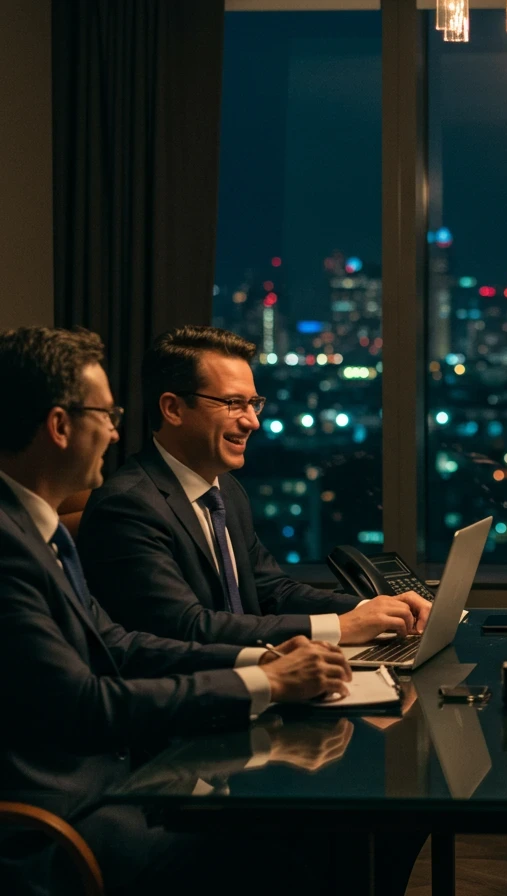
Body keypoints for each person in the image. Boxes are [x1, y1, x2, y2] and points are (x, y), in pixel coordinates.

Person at [0, 327, 353, 895]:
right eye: (105, 413)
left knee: (330, 832)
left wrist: (263, 661)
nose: (116, 430)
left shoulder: (36, 533)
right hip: (64, 822)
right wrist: (262, 681)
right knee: (295, 856)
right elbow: (86, 705)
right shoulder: (10, 545)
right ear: (60, 426)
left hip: (120, 785)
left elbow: (118, 643)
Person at [78, 325, 429, 647]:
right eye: (233, 404)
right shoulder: (127, 506)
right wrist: (340, 628)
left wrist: (375, 608)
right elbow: (187, 627)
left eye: (254, 403)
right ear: (173, 409)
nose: (252, 422)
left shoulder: (225, 491)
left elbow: (273, 590)